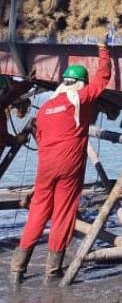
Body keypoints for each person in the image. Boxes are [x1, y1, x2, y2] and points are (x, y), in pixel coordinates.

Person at [10, 42, 111, 282]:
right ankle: (53, 271)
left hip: (45, 165)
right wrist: (103, 49)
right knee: (63, 212)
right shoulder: (81, 97)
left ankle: (17, 269)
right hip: (69, 165)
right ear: (79, 84)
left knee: (38, 212)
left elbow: (40, 137)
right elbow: (103, 78)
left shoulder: (44, 107)